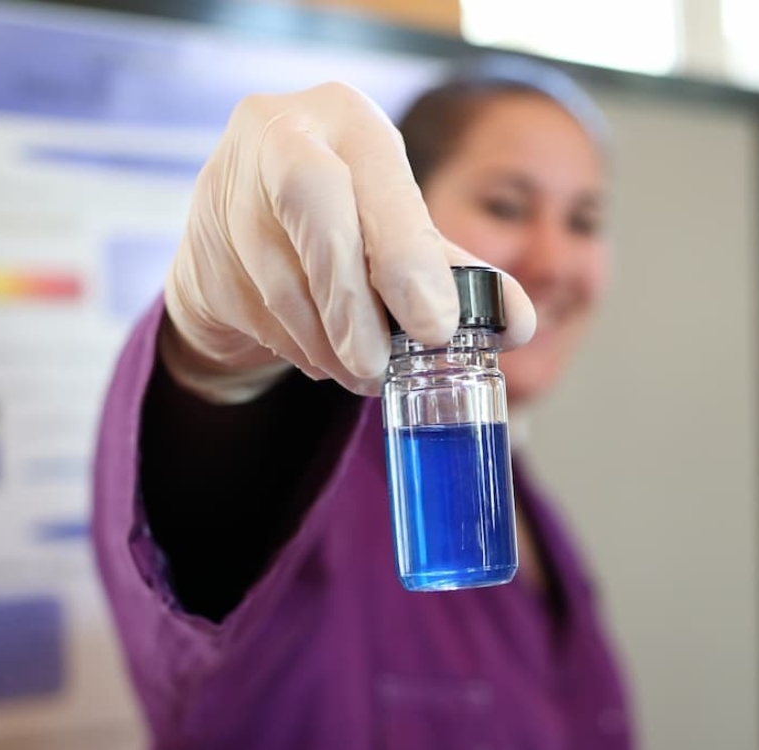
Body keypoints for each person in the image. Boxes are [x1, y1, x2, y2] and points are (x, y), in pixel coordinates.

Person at [93, 54, 632, 749]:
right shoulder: (321, 480)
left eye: (584, 220)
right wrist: (211, 364)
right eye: (505, 205)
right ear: (400, 211)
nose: (555, 261)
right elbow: (206, 512)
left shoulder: (523, 503)